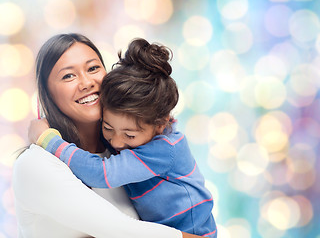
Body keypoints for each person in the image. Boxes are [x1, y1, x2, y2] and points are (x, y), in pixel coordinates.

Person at [12, 33, 204, 238]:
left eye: (93, 68)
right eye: (68, 75)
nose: (86, 83)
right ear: (47, 94)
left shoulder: (124, 152)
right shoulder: (35, 164)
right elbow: (122, 231)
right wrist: (48, 140)